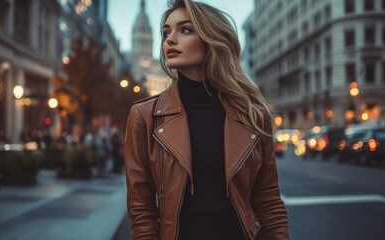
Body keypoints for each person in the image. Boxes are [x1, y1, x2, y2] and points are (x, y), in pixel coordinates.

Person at [124, 0, 289, 239]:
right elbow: (141, 211)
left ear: (211, 38)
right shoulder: (144, 116)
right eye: (166, 32)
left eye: (186, 29)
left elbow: (269, 200)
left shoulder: (252, 113)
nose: (170, 39)